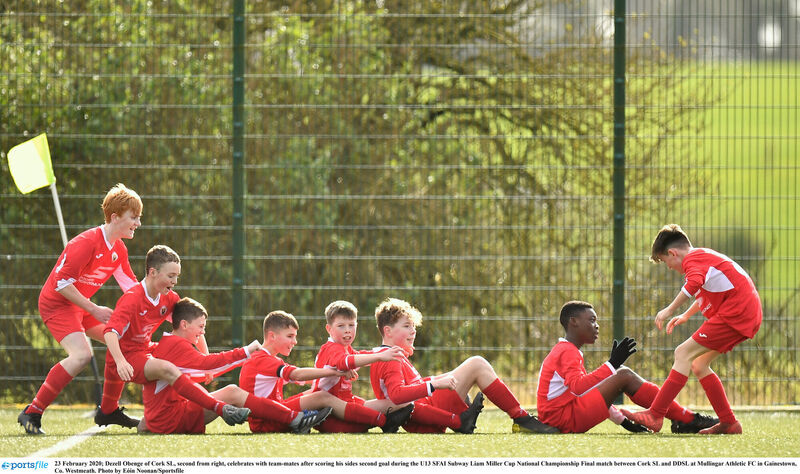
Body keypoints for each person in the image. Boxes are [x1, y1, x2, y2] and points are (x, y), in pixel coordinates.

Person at [18, 184, 143, 435]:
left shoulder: (119, 249)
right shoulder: (86, 242)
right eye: (134, 217)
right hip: (58, 303)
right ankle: (32, 411)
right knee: (81, 356)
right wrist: (94, 309)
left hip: (80, 305)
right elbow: (61, 284)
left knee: (125, 339)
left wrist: (164, 301)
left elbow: (132, 288)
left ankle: (108, 410)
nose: (138, 223)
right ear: (115, 217)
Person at [623, 224, 762, 435]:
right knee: (699, 363)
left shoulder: (693, 259)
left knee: (682, 352)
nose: (668, 267)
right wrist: (686, 315)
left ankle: (655, 414)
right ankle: (728, 422)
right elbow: (705, 286)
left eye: (664, 261)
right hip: (744, 313)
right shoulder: (704, 257)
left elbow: (694, 283)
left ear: (672, 253)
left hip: (737, 313)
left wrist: (669, 310)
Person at [100, 245, 251, 428]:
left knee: (177, 358)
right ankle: (221, 408)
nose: (175, 281)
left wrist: (205, 361)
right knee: (168, 368)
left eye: (177, 276)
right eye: (171, 276)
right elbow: (110, 333)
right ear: (153, 272)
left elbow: (190, 325)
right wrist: (120, 361)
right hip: (127, 357)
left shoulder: (169, 298)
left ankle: (149, 423)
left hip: (146, 350)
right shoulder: (132, 298)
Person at [139, 297, 330, 434]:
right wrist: (246, 352)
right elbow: (208, 365)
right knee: (232, 391)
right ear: (184, 325)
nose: (202, 332)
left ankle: (295, 417)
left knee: (230, 391)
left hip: (164, 417)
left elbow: (186, 378)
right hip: (172, 420)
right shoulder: (177, 346)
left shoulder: (165, 344)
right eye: (200, 326)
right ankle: (295, 419)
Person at [369, 297, 558, 434]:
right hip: (426, 417)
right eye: (407, 327)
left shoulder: (390, 355)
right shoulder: (389, 358)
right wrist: (436, 385)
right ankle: (521, 418)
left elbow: (407, 392)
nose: (413, 332)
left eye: (414, 327)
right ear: (388, 331)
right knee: (477, 363)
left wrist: (437, 380)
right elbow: (399, 398)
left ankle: (519, 417)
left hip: (428, 412)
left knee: (472, 367)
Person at [537, 300, 717, 434]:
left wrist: (623, 422)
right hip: (564, 420)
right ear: (573, 321)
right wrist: (612, 364)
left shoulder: (566, 350)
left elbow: (584, 391)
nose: (597, 326)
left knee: (623, 374)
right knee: (624, 375)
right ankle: (687, 419)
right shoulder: (567, 351)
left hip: (563, 416)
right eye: (592, 320)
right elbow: (578, 388)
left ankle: (684, 418)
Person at [239, 310, 411, 433]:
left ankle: (396, 411)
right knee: (321, 397)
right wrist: (333, 372)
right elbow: (298, 374)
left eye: (351, 325)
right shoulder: (263, 359)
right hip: (267, 420)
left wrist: (381, 352)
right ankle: (383, 421)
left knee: (316, 395)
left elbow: (301, 379)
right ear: (272, 336)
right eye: (290, 336)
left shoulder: (271, 360)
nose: (295, 341)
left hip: (275, 412)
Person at [307, 300, 414, 433]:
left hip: (347, 403)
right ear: (329, 329)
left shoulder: (346, 348)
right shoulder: (331, 348)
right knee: (372, 421)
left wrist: (392, 350)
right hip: (328, 415)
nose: (347, 330)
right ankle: (385, 421)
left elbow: (361, 355)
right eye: (341, 326)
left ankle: (387, 419)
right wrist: (380, 356)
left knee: (403, 402)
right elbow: (345, 361)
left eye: (351, 325)